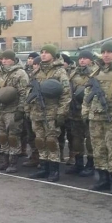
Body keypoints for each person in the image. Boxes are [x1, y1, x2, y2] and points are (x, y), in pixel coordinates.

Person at [26, 45, 71, 182]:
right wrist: (27, 109)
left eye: (47, 53)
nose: (44, 55)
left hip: (52, 112)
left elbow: (66, 94)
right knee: (40, 140)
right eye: (42, 52)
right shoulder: (36, 72)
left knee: (51, 141)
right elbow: (29, 92)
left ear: (53, 55)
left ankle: (54, 170)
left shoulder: (59, 72)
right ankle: (43, 167)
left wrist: (61, 113)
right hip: (36, 112)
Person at [82, 42, 112, 194]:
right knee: (98, 149)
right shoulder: (95, 70)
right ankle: (103, 179)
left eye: (109, 52)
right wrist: (85, 112)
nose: (106, 55)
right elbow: (87, 94)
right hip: (95, 116)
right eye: (103, 52)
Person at [0, 50, 29, 173]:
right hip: (0, 109)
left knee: (13, 136)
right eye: (3, 58)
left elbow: (24, 93)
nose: (4, 60)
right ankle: (4, 161)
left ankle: (13, 162)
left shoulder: (20, 73)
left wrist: (21, 110)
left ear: (13, 59)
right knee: (2, 136)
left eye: (7, 59)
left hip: (13, 109)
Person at [66, 51, 95, 176]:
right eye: (80, 58)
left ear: (91, 60)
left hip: (89, 111)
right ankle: (78, 164)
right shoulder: (74, 73)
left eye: (85, 58)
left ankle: (90, 164)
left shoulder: (95, 73)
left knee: (90, 140)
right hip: (75, 111)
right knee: (76, 139)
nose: (82, 60)